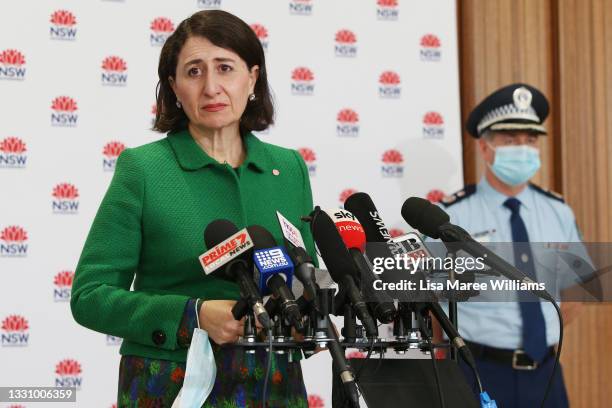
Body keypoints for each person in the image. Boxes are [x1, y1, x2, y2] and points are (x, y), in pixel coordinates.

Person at [70, 10, 317, 407]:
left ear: (252, 78)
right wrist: (195, 315)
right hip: (172, 384)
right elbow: (90, 296)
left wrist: (306, 316)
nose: (212, 87)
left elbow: (306, 275)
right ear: (174, 87)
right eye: (194, 72)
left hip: (275, 384)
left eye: (225, 68)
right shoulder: (145, 169)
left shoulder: (287, 168)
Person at [436, 83, 585, 407]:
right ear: (485, 147)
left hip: (545, 373)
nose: (523, 148)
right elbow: (433, 303)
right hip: (478, 371)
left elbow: (573, 297)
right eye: (510, 140)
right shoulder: (452, 215)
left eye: (530, 140)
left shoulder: (558, 212)